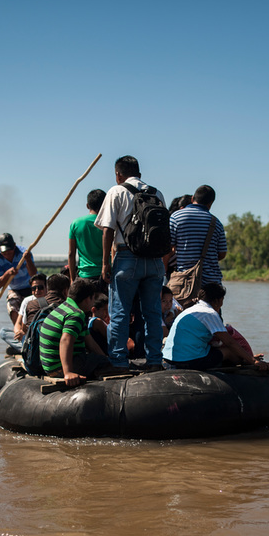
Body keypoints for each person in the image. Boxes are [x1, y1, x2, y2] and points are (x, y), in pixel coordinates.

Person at [94, 155, 166, 373]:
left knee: (120, 313)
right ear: (140, 174)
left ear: (118, 174)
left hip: (127, 258)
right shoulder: (156, 193)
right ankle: (154, 360)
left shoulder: (116, 191)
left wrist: (105, 263)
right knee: (153, 313)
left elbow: (107, 230)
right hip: (154, 261)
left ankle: (118, 362)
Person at [162, 282, 269, 371]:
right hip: (188, 360)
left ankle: (245, 358)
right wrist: (252, 360)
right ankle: (246, 362)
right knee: (229, 351)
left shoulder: (190, 310)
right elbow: (230, 342)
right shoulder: (210, 313)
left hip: (169, 358)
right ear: (218, 301)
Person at [39, 279, 110, 387]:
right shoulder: (76, 314)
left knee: (102, 360)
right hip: (60, 368)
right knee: (107, 363)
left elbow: (90, 342)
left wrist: (105, 358)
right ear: (87, 299)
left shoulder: (63, 308)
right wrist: (68, 372)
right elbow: (65, 340)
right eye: (93, 299)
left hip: (50, 367)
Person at [168, 184, 227, 286]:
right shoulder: (217, 223)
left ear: (192, 199)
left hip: (184, 283)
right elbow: (222, 253)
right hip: (211, 284)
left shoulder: (176, 217)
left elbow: (168, 249)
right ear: (211, 203)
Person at [0, 232, 38, 326]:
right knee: (12, 306)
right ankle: (19, 330)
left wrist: (28, 260)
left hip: (30, 287)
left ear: (14, 246)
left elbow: (34, 275)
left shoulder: (24, 253)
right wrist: (7, 274)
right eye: (4, 252)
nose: (7, 254)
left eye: (9, 251)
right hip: (15, 289)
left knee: (34, 310)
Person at [68, 189, 107, 290]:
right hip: (105, 275)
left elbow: (71, 253)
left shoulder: (76, 223)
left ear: (87, 205)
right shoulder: (108, 224)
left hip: (84, 276)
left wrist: (72, 279)